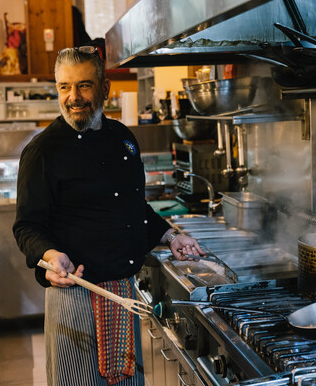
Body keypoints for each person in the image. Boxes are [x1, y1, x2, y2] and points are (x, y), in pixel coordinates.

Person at [13, 46, 205, 386]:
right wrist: (50, 254)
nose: (74, 97)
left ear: (105, 89)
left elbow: (134, 208)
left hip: (123, 293)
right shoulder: (43, 151)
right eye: (64, 87)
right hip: (76, 297)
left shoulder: (123, 140)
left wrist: (171, 236)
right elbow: (27, 226)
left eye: (84, 85)